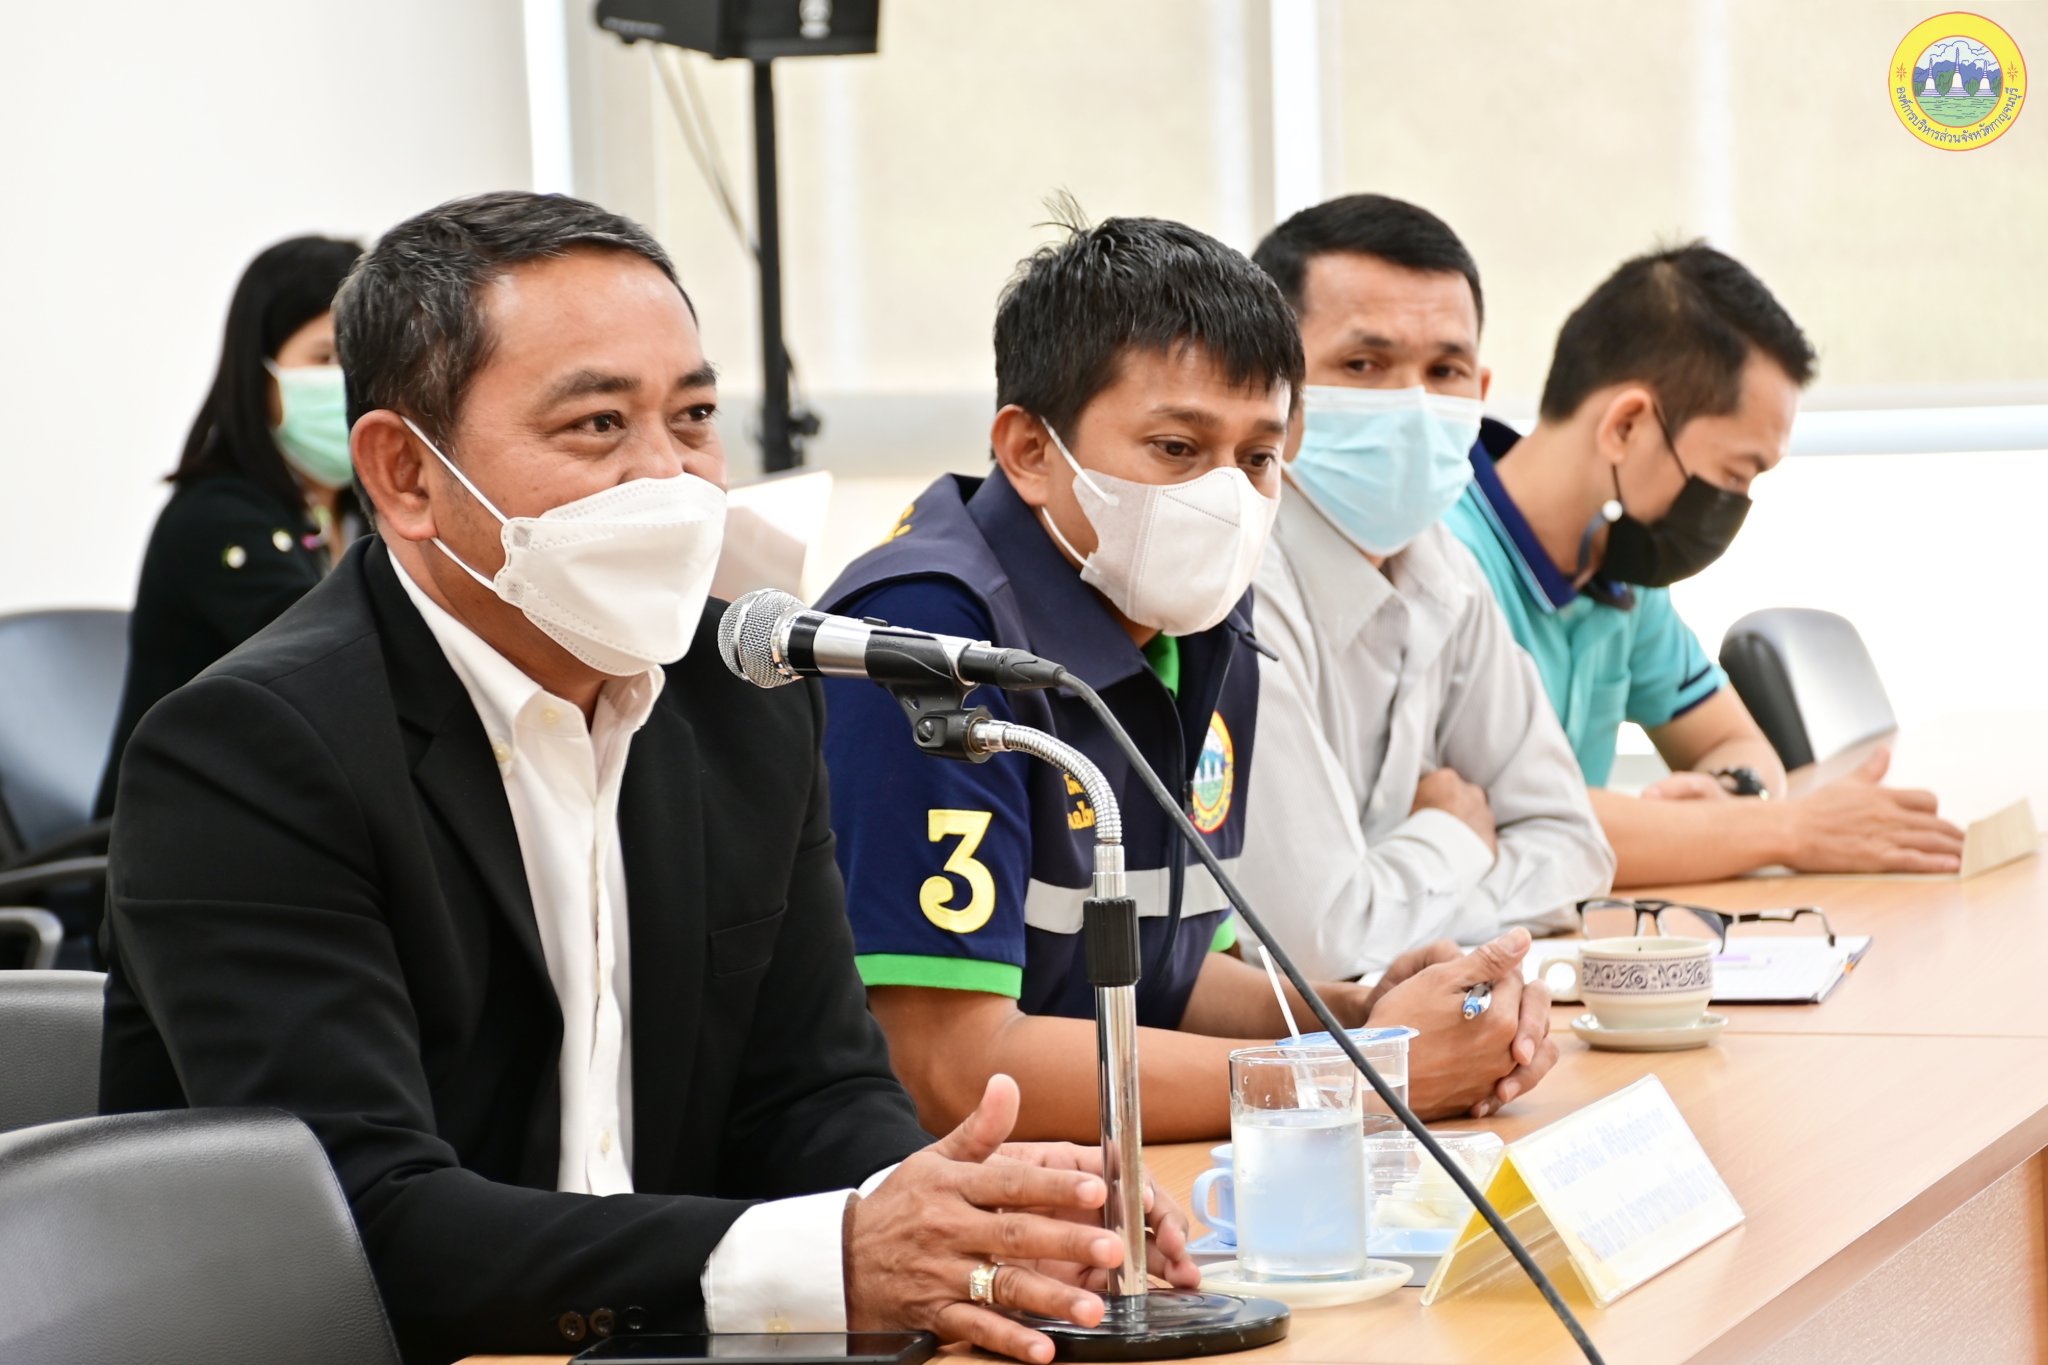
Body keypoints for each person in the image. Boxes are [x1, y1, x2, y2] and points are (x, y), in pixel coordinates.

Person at [98, 191, 1197, 1365]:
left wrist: (973, 1221)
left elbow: (811, 1093)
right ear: (406, 475)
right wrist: (831, 1258)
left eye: (693, 417)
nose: (669, 477)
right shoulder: (250, 753)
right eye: (596, 425)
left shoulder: (740, 698)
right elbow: (361, 1218)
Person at [817, 212, 1556, 1146]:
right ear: (1030, 450)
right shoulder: (930, 640)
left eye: (1257, 457)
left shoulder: (1198, 622)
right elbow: (950, 1068)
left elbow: (1167, 976)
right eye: (1177, 448)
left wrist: (1362, 1017)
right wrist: (1357, 1083)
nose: (1226, 498)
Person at [1442, 244, 1965, 885]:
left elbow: (1738, 747)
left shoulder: (1619, 570)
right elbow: (1510, 823)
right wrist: (1787, 830)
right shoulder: (1439, 563)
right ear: (1627, 426)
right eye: (1735, 474)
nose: (1735, 503)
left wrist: (1730, 794)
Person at [1235, 194, 1615, 987]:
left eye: (1444, 372)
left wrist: (1392, 897)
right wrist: (1458, 832)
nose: (1413, 405)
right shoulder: (1236, 586)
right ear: (1274, 390)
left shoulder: (1444, 568)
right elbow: (1311, 948)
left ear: (1481, 389)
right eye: (1363, 365)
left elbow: (1574, 846)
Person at [96, 235, 366, 819]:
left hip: (290, 811)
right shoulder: (216, 519)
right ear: (259, 371)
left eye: (362, 359)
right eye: (324, 358)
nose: (349, 381)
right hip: (182, 835)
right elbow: (340, 672)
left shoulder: (362, 516)